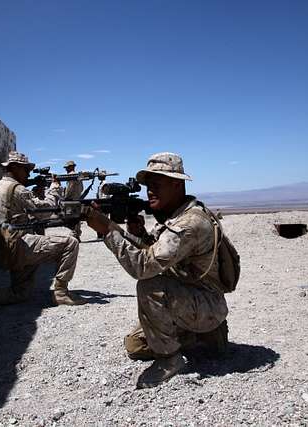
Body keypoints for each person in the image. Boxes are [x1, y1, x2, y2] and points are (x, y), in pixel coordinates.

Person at [85, 152, 230, 388]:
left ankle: (170, 359)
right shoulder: (177, 216)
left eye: (157, 184)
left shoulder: (189, 224)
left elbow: (144, 267)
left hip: (205, 303)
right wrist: (135, 233)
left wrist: (107, 231)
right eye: (147, 185)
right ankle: (204, 338)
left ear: (177, 184)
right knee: (135, 345)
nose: (149, 191)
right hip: (189, 295)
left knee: (149, 286)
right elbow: (155, 251)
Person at [0, 151, 86, 308]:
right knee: (70, 243)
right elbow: (44, 212)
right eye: (25, 169)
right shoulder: (17, 189)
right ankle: (61, 293)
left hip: (5, 246)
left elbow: (12, 212)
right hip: (21, 245)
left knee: (20, 293)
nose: (28, 174)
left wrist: (35, 194)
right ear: (14, 167)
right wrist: (54, 189)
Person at [63, 160, 84, 240]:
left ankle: (75, 235)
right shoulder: (79, 176)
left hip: (71, 199)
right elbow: (82, 188)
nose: (66, 169)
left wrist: (66, 197)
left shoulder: (71, 176)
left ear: (71, 167)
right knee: (77, 217)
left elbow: (69, 188)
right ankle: (77, 234)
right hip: (77, 198)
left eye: (67, 168)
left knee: (72, 218)